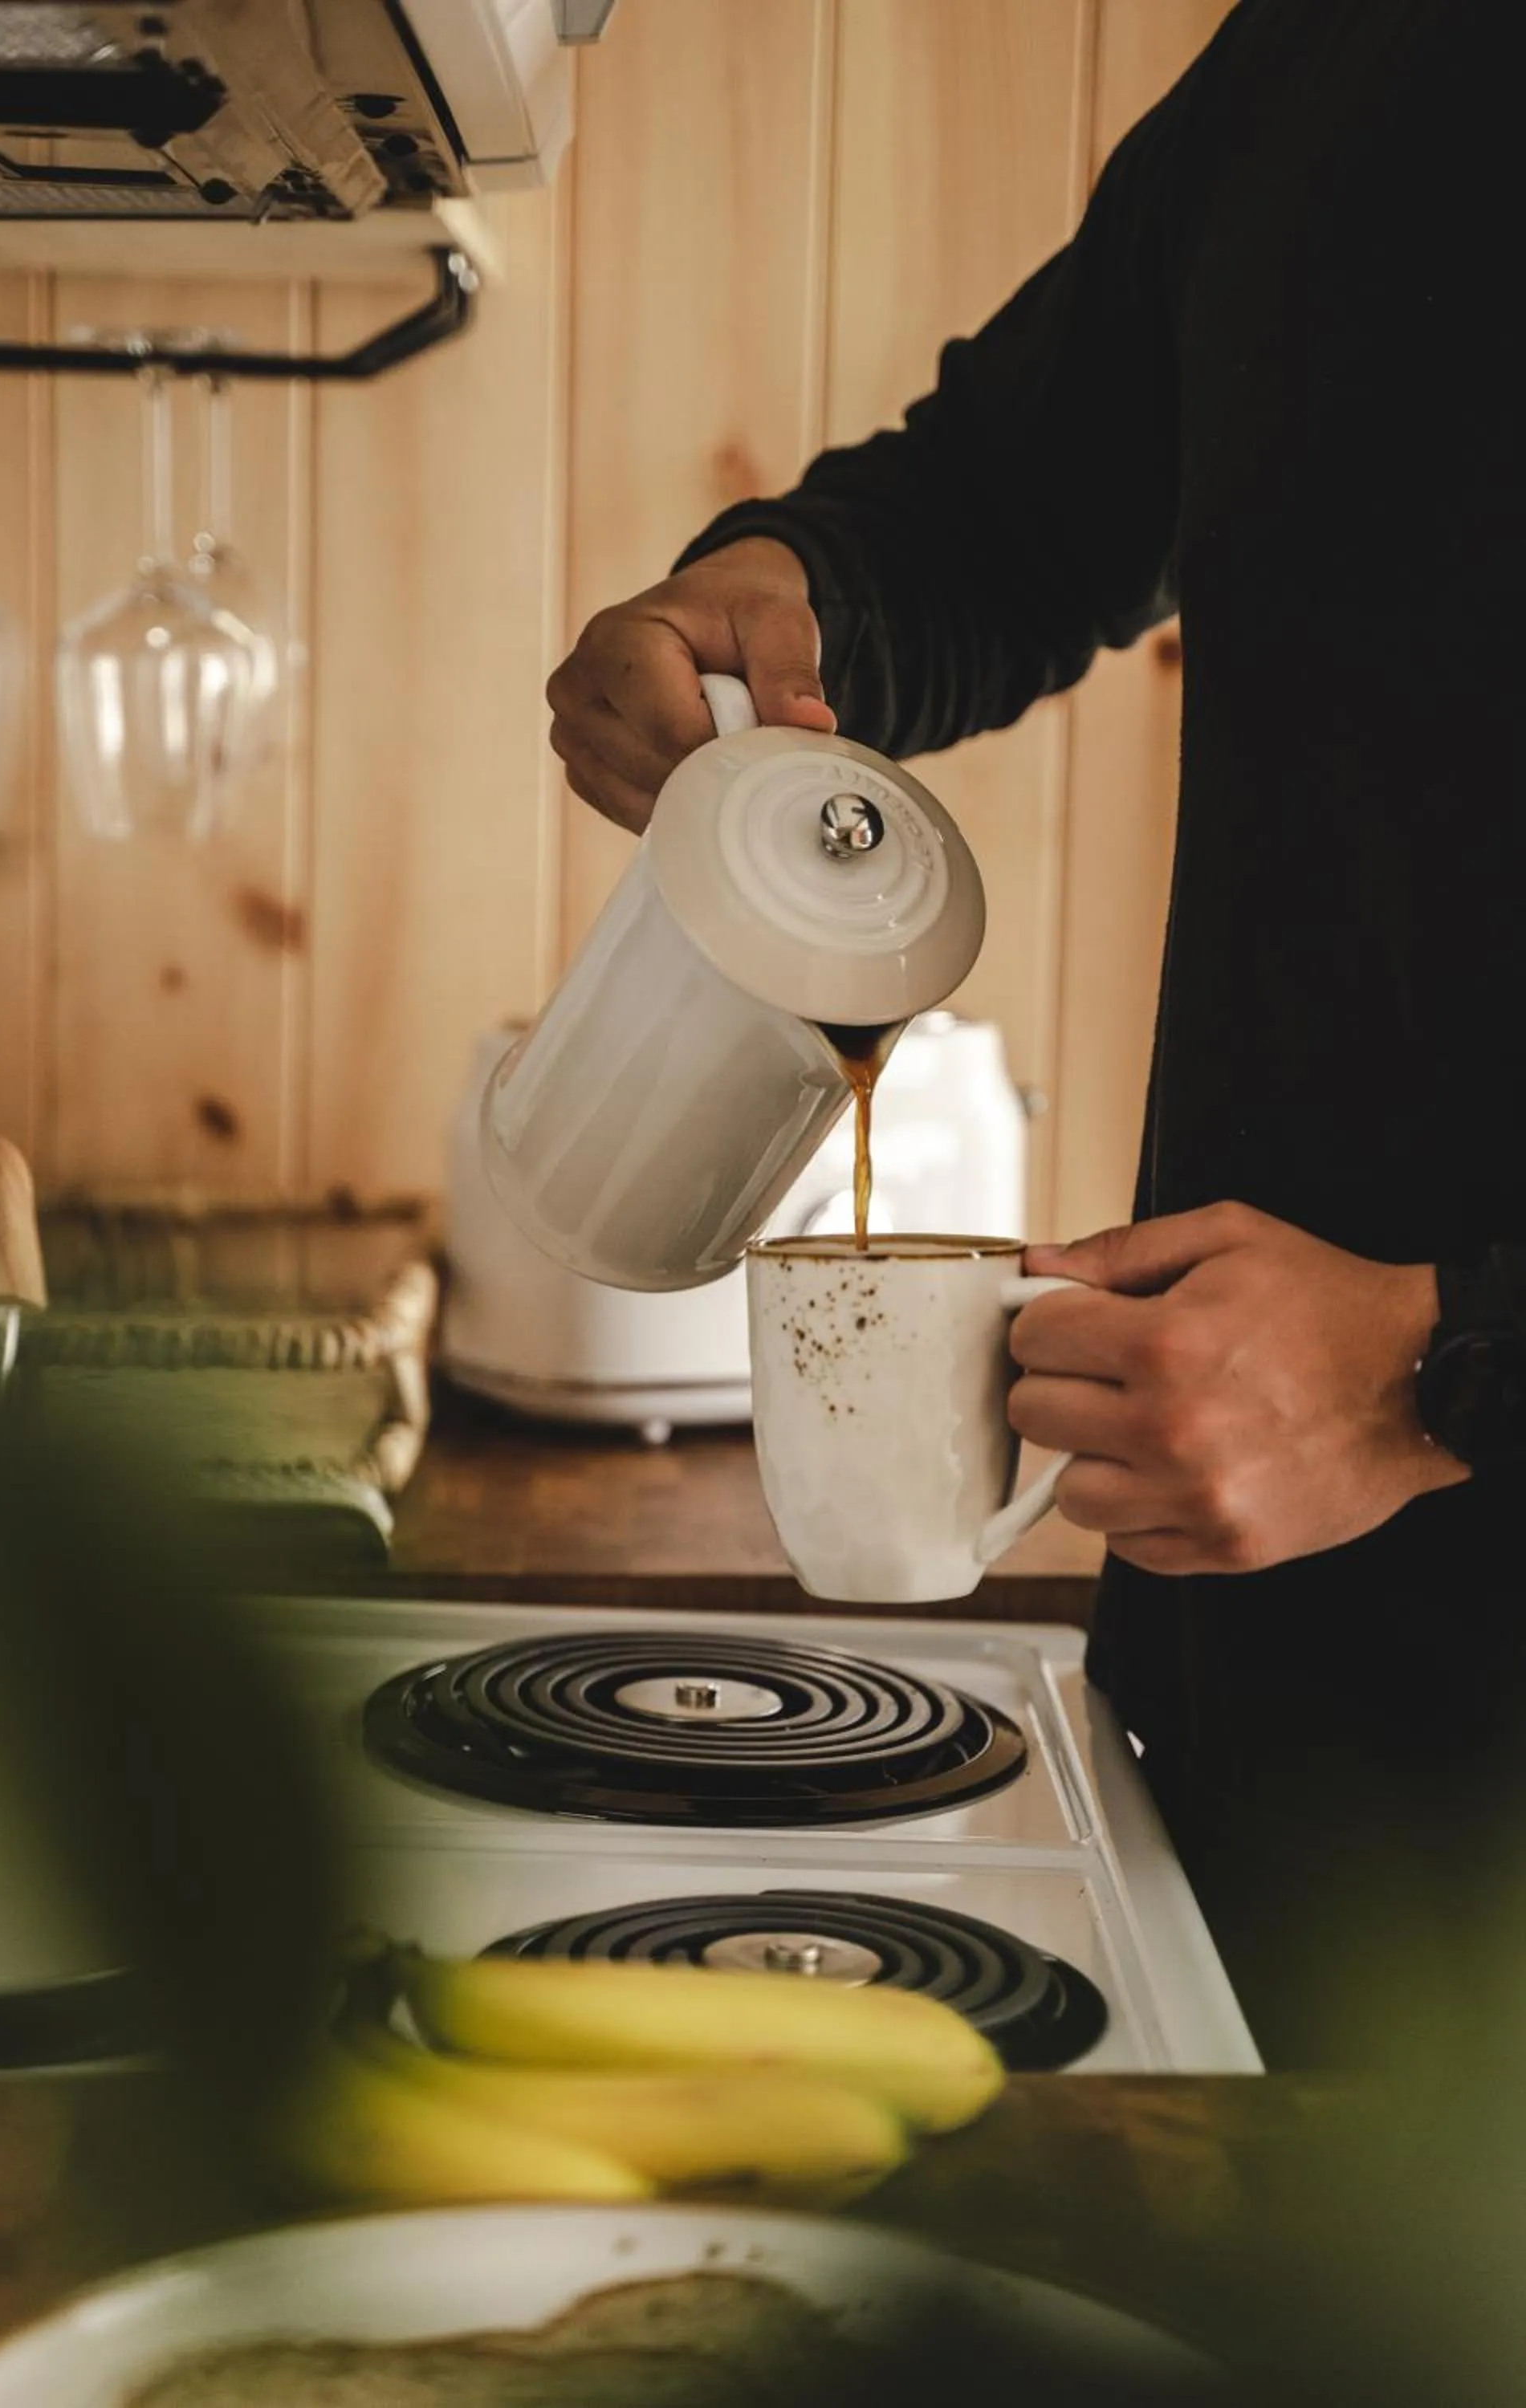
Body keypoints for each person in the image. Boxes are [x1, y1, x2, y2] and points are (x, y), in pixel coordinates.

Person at [543, 0, 1526, 2067]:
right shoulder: (1331, 57)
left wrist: (1447, 1368)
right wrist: (777, 595)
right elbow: (1014, 501)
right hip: (1251, 1721)